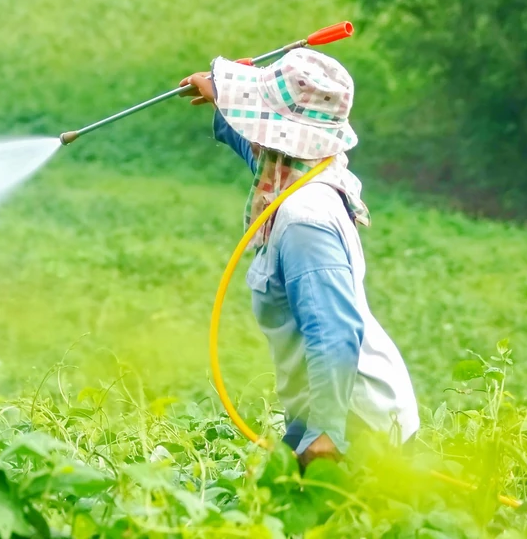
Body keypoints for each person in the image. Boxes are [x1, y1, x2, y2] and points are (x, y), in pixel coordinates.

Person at [179, 49, 419, 468]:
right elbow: (259, 151)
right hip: (336, 414)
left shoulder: (303, 219)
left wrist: (326, 434)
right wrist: (222, 96)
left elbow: (334, 333)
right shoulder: (303, 172)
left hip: (356, 428)